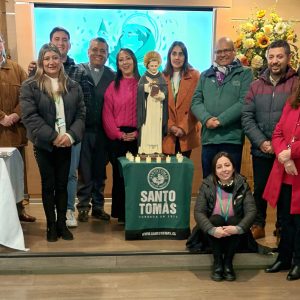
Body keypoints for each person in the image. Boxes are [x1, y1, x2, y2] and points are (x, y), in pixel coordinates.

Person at [20, 43, 86, 242]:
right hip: (45, 145)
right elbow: (30, 116)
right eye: (47, 58)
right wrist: (54, 136)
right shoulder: (30, 85)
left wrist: (70, 136)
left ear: (61, 60)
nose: (51, 62)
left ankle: (61, 225)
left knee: (63, 184)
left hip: (67, 143)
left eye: (55, 58)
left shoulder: (73, 85)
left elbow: (81, 114)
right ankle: (50, 225)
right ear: (41, 61)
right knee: (48, 185)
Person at [242, 40, 298, 240]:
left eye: (279, 57)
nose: (275, 61)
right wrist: (262, 143)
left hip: (286, 152)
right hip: (262, 149)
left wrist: (281, 146)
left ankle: (282, 227)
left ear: (288, 58)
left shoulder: (296, 84)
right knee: (260, 189)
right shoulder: (255, 86)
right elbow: (247, 117)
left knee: (285, 192)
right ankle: (258, 223)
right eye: (271, 57)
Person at [191, 36, 253, 178]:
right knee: (209, 183)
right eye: (219, 51)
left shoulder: (245, 73)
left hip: (231, 139)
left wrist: (220, 121)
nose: (222, 54)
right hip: (209, 139)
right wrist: (207, 120)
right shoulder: (205, 75)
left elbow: (244, 101)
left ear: (234, 51)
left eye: (226, 50)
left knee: (230, 183)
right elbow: (196, 101)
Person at [194, 152, 256, 281]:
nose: (224, 170)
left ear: (233, 167)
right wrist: (212, 230)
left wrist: (238, 228)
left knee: (234, 220)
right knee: (216, 219)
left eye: (227, 165)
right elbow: (199, 212)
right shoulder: (207, 185)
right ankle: (218, 263)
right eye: (219, 167)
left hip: (235, 234)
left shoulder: (243, 185)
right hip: (212, 234)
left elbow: (251, 211)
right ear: (215, 171)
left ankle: (228, 264)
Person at [263, 87, 300, 281]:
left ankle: (298, 261)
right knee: (284, 219)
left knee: (299, 221)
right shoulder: (291, 102)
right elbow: (278, 133)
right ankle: (284, 257)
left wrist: (292, 152)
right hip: (286, 171)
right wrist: (285, 158)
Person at [76, 37, 115, 222]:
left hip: (104, 133)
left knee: (100, 170)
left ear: (108, 55)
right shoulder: (78, 71)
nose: (98, 53)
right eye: (95, 50)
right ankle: (83, 206)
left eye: (102, 51)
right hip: (83, 131)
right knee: (84, 171)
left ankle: (98, 207)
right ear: (88, 51)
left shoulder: (113, 76)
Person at [0, 32, 36, 222]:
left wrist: (15, 114)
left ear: (3, 44)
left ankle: (19, 210)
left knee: (16, 175)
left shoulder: (16, 68)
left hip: (15, 133)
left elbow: (28, 93)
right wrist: (1, 117)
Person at [103, 48, 140, 222]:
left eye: (128, 58)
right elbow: (107, 114)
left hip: (139, 138)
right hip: (118, 139)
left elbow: (150, 112)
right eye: (120, 60)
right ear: (117, 64)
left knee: (136, 177)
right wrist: (119, 135)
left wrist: (139, 133)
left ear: (134, 60)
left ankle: (136, 213)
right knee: (119, 178)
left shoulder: (144, 83)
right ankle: (122, 214)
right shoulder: (113, 86)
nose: (124, 62)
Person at [162, 41, 200, 157]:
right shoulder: (161, 77)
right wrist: (171, 126)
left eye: (181, 54)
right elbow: (158, 107)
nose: (177, 57)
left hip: (186, 133)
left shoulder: (195, 76)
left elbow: (197, 104)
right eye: (174, 54)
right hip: (167, 134)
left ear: (185, 57)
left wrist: (183, 128)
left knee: (183, 173)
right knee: (168, 173)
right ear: (169, 56)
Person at [137, 51, 168, 154]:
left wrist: (160, 94)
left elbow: (165, 93)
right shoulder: (144, 77)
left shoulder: (161, 77)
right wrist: (148, 87)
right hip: (148, 107)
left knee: (156, 128)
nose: (154, 68)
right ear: (147, 65)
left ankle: (156, 149)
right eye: (152, 65)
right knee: (147, 127)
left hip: (158, 107)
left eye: (156, 65)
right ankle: (145, 149)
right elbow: (140, 89)